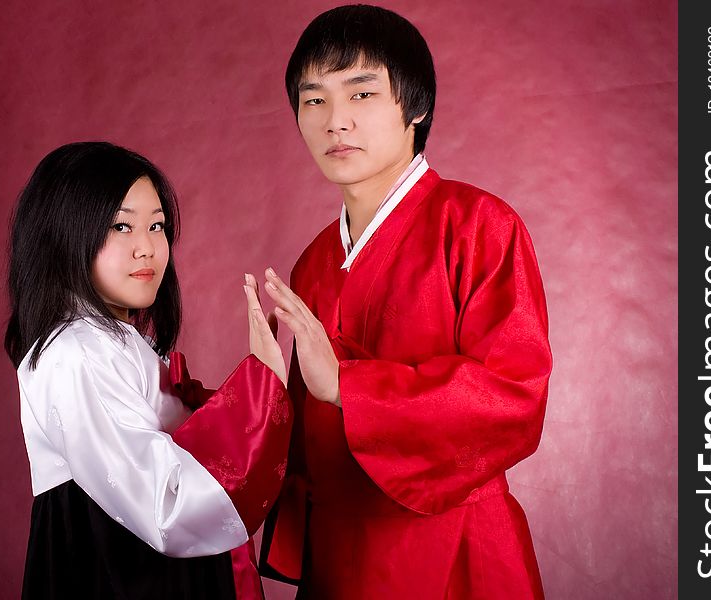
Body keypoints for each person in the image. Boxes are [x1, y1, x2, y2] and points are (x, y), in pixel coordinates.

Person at [257, 5, 552, 599]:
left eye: (361, 94)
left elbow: (513, 397)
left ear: (414, 107)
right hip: (340, 555)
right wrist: (257, 404)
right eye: (314, 101)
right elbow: (302, 447)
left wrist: (348, 388)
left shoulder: (479, 226)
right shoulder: (312, 264)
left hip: (453, 550)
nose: (335, 121)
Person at [4, 141, 292, 599]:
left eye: (156, 226)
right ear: (63, 234)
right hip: (118, 574)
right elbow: (168, 507)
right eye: (121, 225)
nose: (147, 249)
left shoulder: (117, 341)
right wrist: (261, 392)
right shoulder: (76, 351)